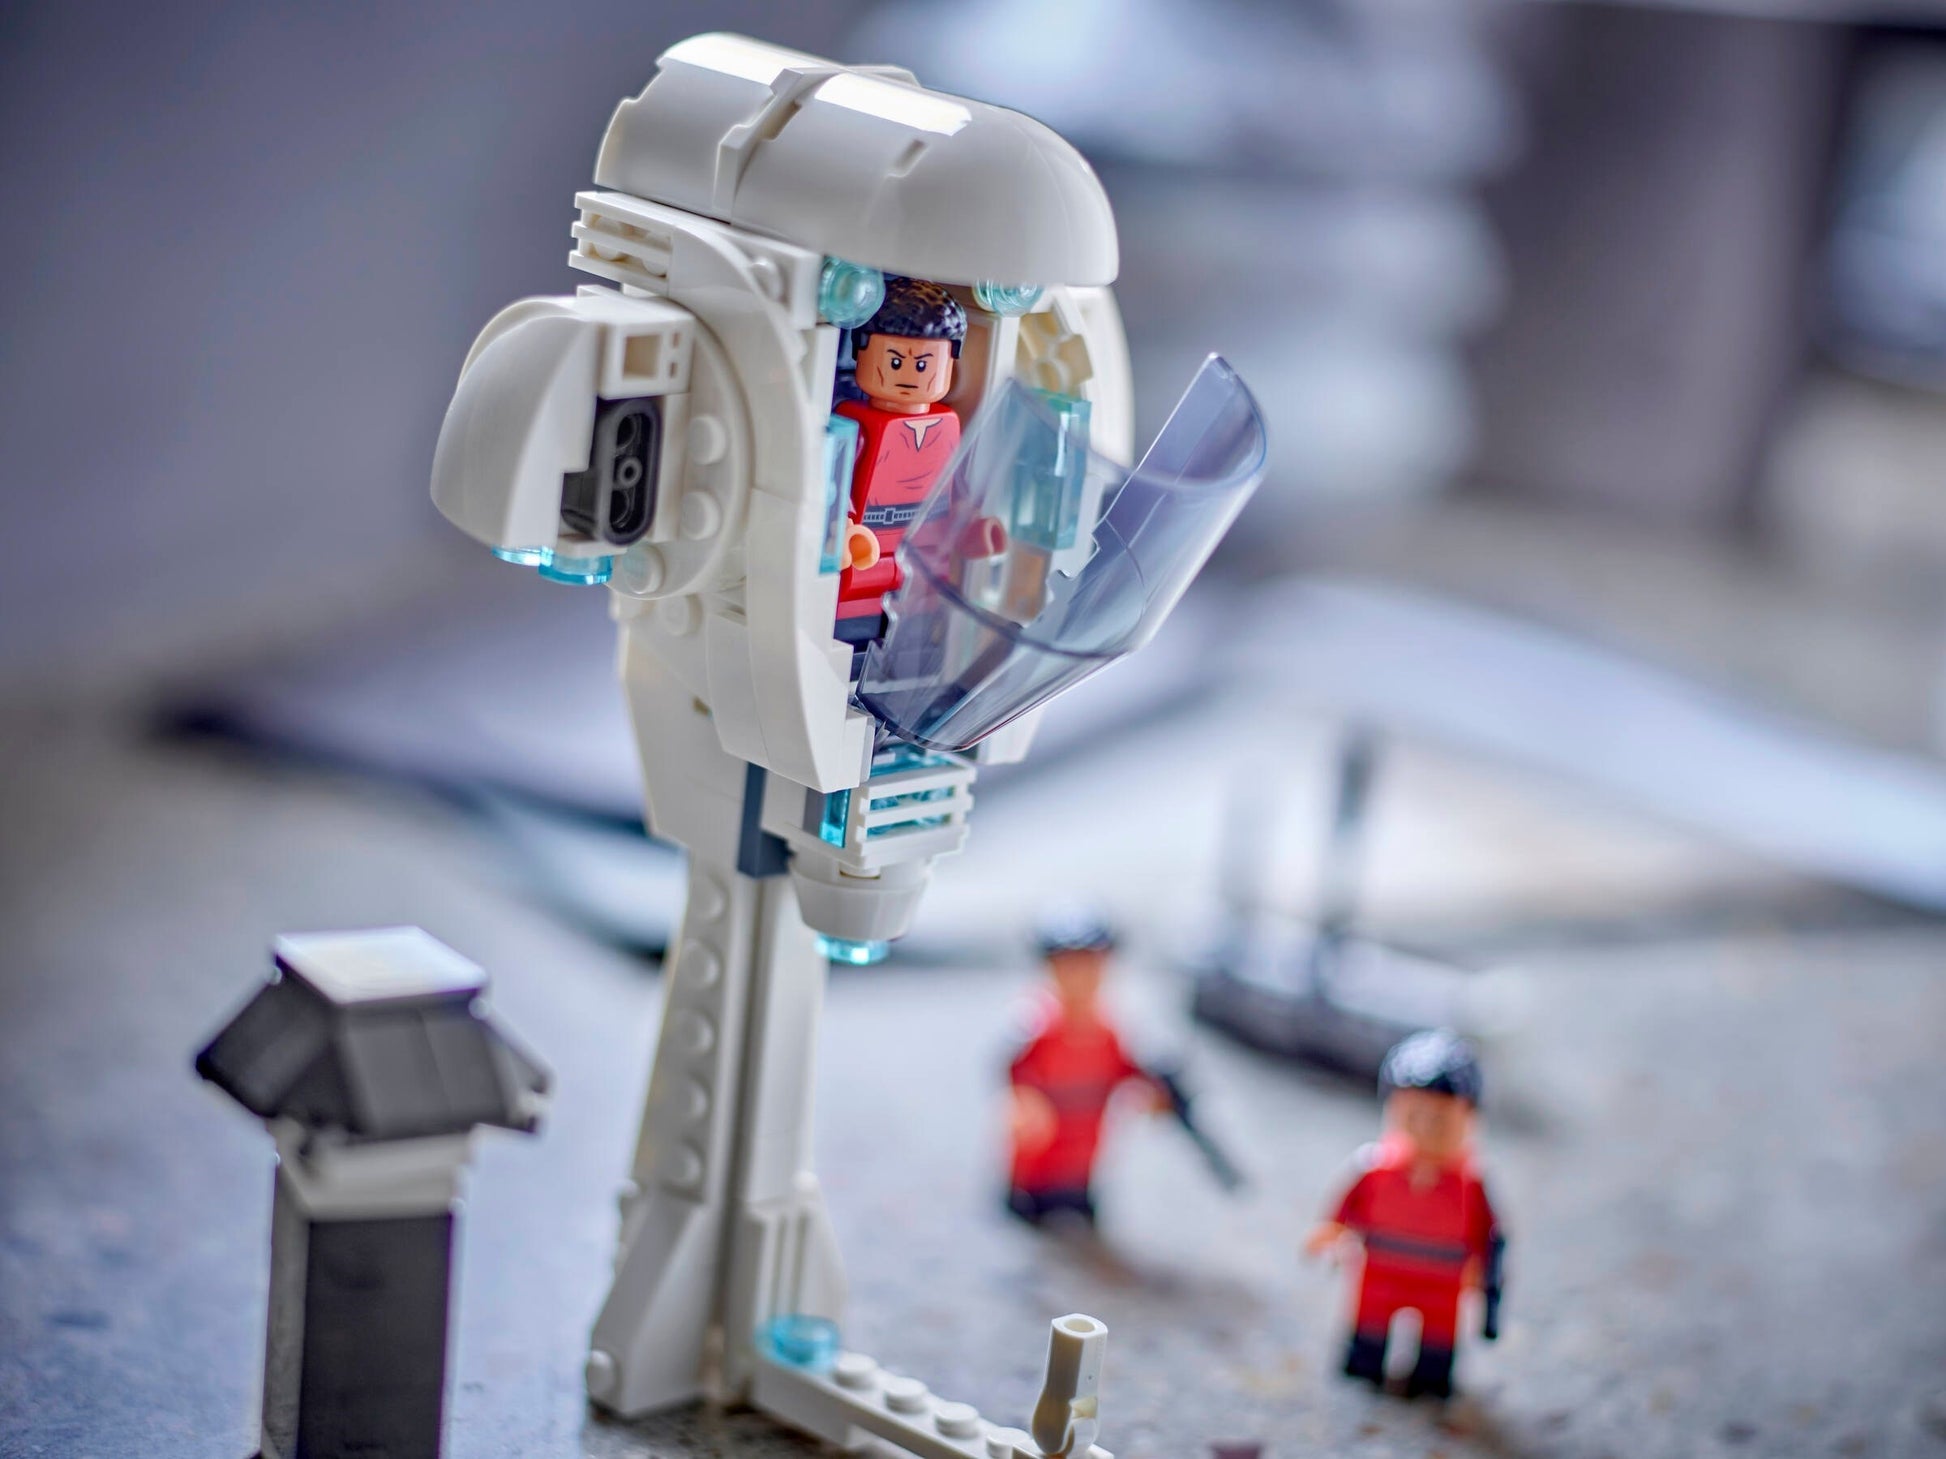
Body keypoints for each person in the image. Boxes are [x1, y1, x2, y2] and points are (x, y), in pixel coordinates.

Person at [1306, 1029, 1505, 1399]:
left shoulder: (1471, 1184)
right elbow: (1346, 1207)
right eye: (1413, 1116)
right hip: (1379, 1269)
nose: (1426, 1129)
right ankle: (1366, 1366)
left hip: (1444, 1279)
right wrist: (1331, 1233)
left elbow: (1490, 1234)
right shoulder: (1374, 1168)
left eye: (1441, 1120)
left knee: (1437, 1346)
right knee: (1368, 1335)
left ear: (1469, 1119)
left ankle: (1430, 1378)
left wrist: (1486, 1281)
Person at [834, 277, 1000, 665]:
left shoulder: (947, 425)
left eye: (924, 364)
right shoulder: (855, 424)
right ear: (861, 353)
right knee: (852, 633)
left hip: (927, 559)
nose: (910, 375)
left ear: (949, 364)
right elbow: (834, 482)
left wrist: (971, 526)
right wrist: (842, 529)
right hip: (866, 553)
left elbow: (954, 486)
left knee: (912, 640)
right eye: (895, 362)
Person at [1004, 909, 1168, 1227]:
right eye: (1067, 966)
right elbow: (1014, 1072)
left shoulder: (1110, 1031)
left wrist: (1154, 1095)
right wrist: (1024, 1103)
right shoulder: (1035, 1026)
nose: (1080, 977)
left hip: (1083, 1166)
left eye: (1090, 965)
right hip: (1036, 1171)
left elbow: (1131, 1074)